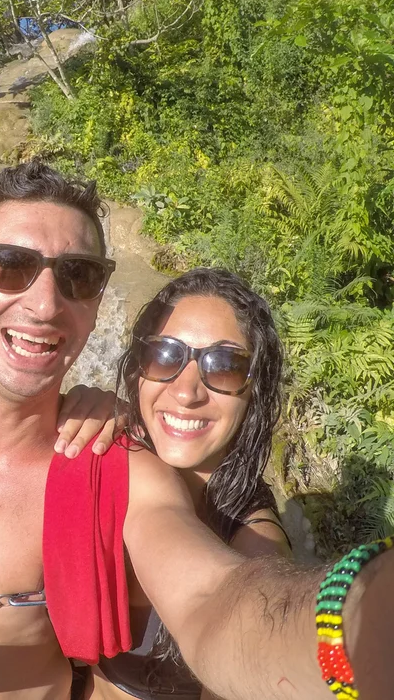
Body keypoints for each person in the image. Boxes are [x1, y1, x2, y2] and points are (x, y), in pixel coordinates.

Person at [0, 160, 394, 700]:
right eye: (11, 266)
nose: (45, 304)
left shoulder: (117, 465)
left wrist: (359, 620)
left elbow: (212, 596)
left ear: (97, 305)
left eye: (78, 276)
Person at [89, 269, 292, 700]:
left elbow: (262, 626)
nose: (186, 392)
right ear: (138, 372)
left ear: (254, 391)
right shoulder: (101, 457)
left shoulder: (254, 540)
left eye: (225, 366)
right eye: (164, 355)